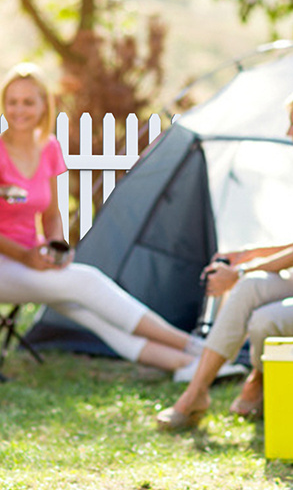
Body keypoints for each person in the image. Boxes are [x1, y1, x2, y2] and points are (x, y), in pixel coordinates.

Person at [0, 62, 244, 381]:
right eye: (12, 102)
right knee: (86, 282)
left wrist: (55, 247)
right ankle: (199, 348)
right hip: (7, 264)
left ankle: (189, 366)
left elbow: (52, 214)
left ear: (44, 104)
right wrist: (24, 256)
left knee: (91, 313)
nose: (19, 109)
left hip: (33, 264)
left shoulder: (48, 148)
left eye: (28, 101)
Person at [156, 85, 293, 430]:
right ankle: (196, 393)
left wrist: (237, 273)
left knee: (262, 320)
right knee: (251, 288)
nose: (288, 132)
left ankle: (257, 378)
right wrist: (245, 257)